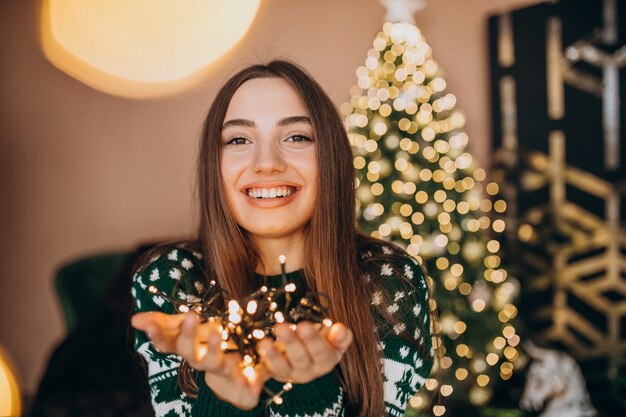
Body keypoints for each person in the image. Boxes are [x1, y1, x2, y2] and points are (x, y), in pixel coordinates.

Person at [130, 60, 434, 417]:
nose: (267, 163)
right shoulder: (171, 279)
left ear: (331, 158)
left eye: (297, 137)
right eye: (239, 139)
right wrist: (224, 396)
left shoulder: (388, 280)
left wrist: (309, 391)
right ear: (214, 163)